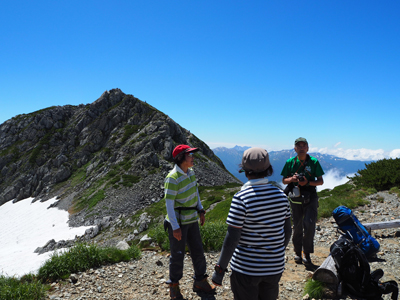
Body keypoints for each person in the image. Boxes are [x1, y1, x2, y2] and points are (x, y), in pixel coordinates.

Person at [211, 147, 292, 300]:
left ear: (245, 171)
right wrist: (276, 253)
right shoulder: (282, 196)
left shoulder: (241, 198)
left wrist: (219, 270)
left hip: (246, 269)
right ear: (269, 169)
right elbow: (287, 231)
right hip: (275, 268)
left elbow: (232, 239)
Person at [164, 144, 216, 300]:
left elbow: (196, 193)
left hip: (191, 219)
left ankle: (200, 281)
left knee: (198, 251)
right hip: (179, 222)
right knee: (177, 255)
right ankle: (174, 286)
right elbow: (169, 205)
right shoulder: (172, 178)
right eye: (190, 155)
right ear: (181, 158)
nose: (193, 158)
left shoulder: (191, 173)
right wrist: (175, 227)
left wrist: (200, 210)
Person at [281, 137, 324, 265]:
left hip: (310, 198)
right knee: (297, 227)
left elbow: (321, 181)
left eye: (303, 146)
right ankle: (297, 253)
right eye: (298, 146)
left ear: (307, 148)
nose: (301, 148)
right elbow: (284, 180)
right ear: (295, 148)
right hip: (295, 199)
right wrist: (292, 180)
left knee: (309, 225)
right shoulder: (290, 162)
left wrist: (308, 183)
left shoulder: (314, 162)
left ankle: (307, 253)